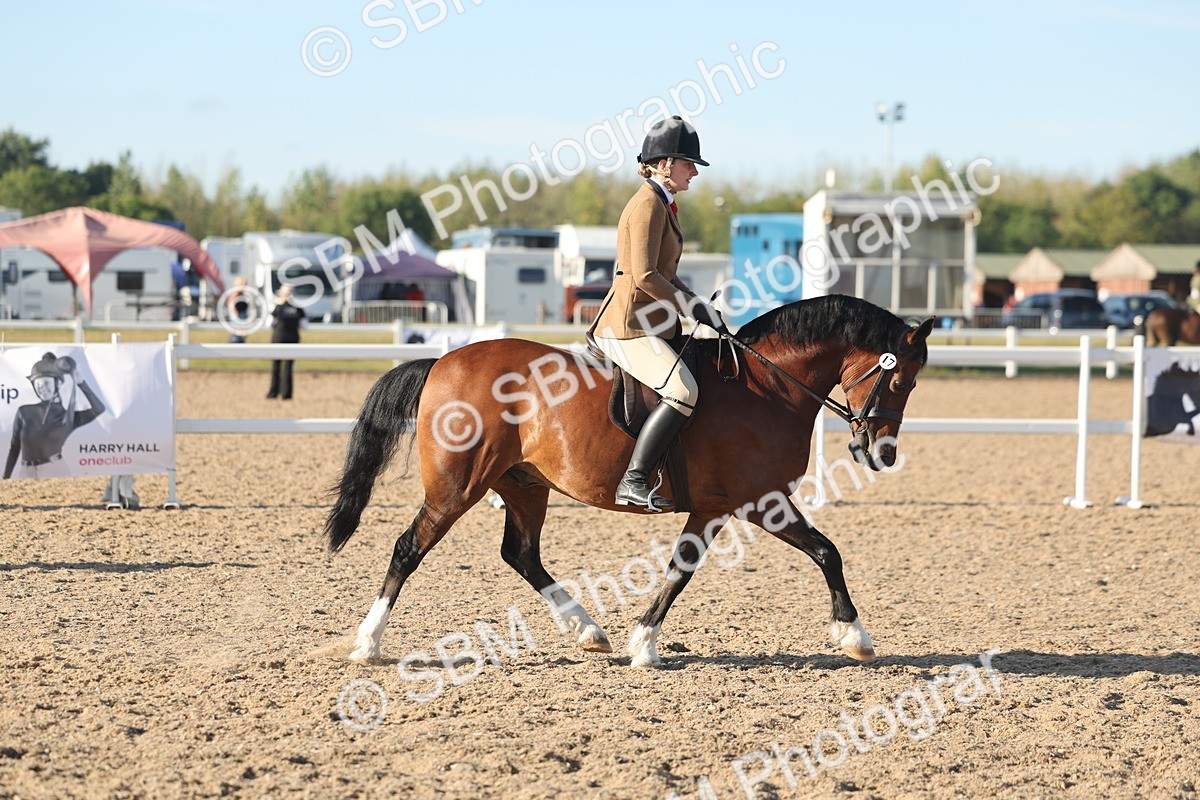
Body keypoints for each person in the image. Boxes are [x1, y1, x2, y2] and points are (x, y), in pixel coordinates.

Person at [587, 115, 728, 512]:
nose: (694, 173)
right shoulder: (647, 205)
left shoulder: (662, 204)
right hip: (630, 325)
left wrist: (698, 304)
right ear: (665, 164)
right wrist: (690, 307)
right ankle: (632, 480)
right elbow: (646, 276)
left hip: (652, 321)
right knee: (684, 390)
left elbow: (666, 275)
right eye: (689, 164)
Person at [4, 352, 106, 479]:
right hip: (26, 471)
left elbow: (99, 409)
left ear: (57, 384)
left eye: (46, 383)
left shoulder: (68, 417)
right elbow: (14, 446)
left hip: (54, 470)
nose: (42, 388)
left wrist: (81, 383)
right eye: (38, 385)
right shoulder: (24, 411)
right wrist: (5, 477)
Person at [267, 285, 307, 400]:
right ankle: (286, 393)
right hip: (293, 339)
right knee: (288, 367)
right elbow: (304, 325)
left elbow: (269, 323)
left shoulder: (278, 308)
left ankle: (273, 392)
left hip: (278, 338)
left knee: (276, 366)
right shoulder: (298, 309)